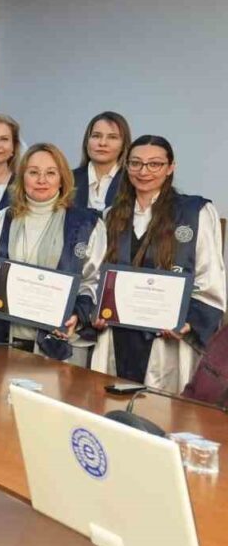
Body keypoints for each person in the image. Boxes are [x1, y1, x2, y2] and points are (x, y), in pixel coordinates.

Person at [91, 135, 225, 392]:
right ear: (126, 166)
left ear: (170, 167)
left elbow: (210, 277)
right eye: (136, 163)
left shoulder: (194, 213)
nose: (144, 172)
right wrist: (96, 311)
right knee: (111, 405)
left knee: (159, 409)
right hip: (117, 334)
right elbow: (97, 276)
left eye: (155, 164)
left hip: (167, 342)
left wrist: (188, 321)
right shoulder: (111, 216)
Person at [0, 144, 104, 364]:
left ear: (62, 178)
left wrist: (77, 315)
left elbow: (93, 280)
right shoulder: (1, 219)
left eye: (50, 173)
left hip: (59, 343)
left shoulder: (87, 225)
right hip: (4, 338)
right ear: (22, 178)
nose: (42, 180)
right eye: (33, 172)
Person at [73, 111, 131, 211]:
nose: (102, 143)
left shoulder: (133, 181)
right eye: (96, 136)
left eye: (112, 137)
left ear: (123, 145)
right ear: (87, 141)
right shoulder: (68, 180)